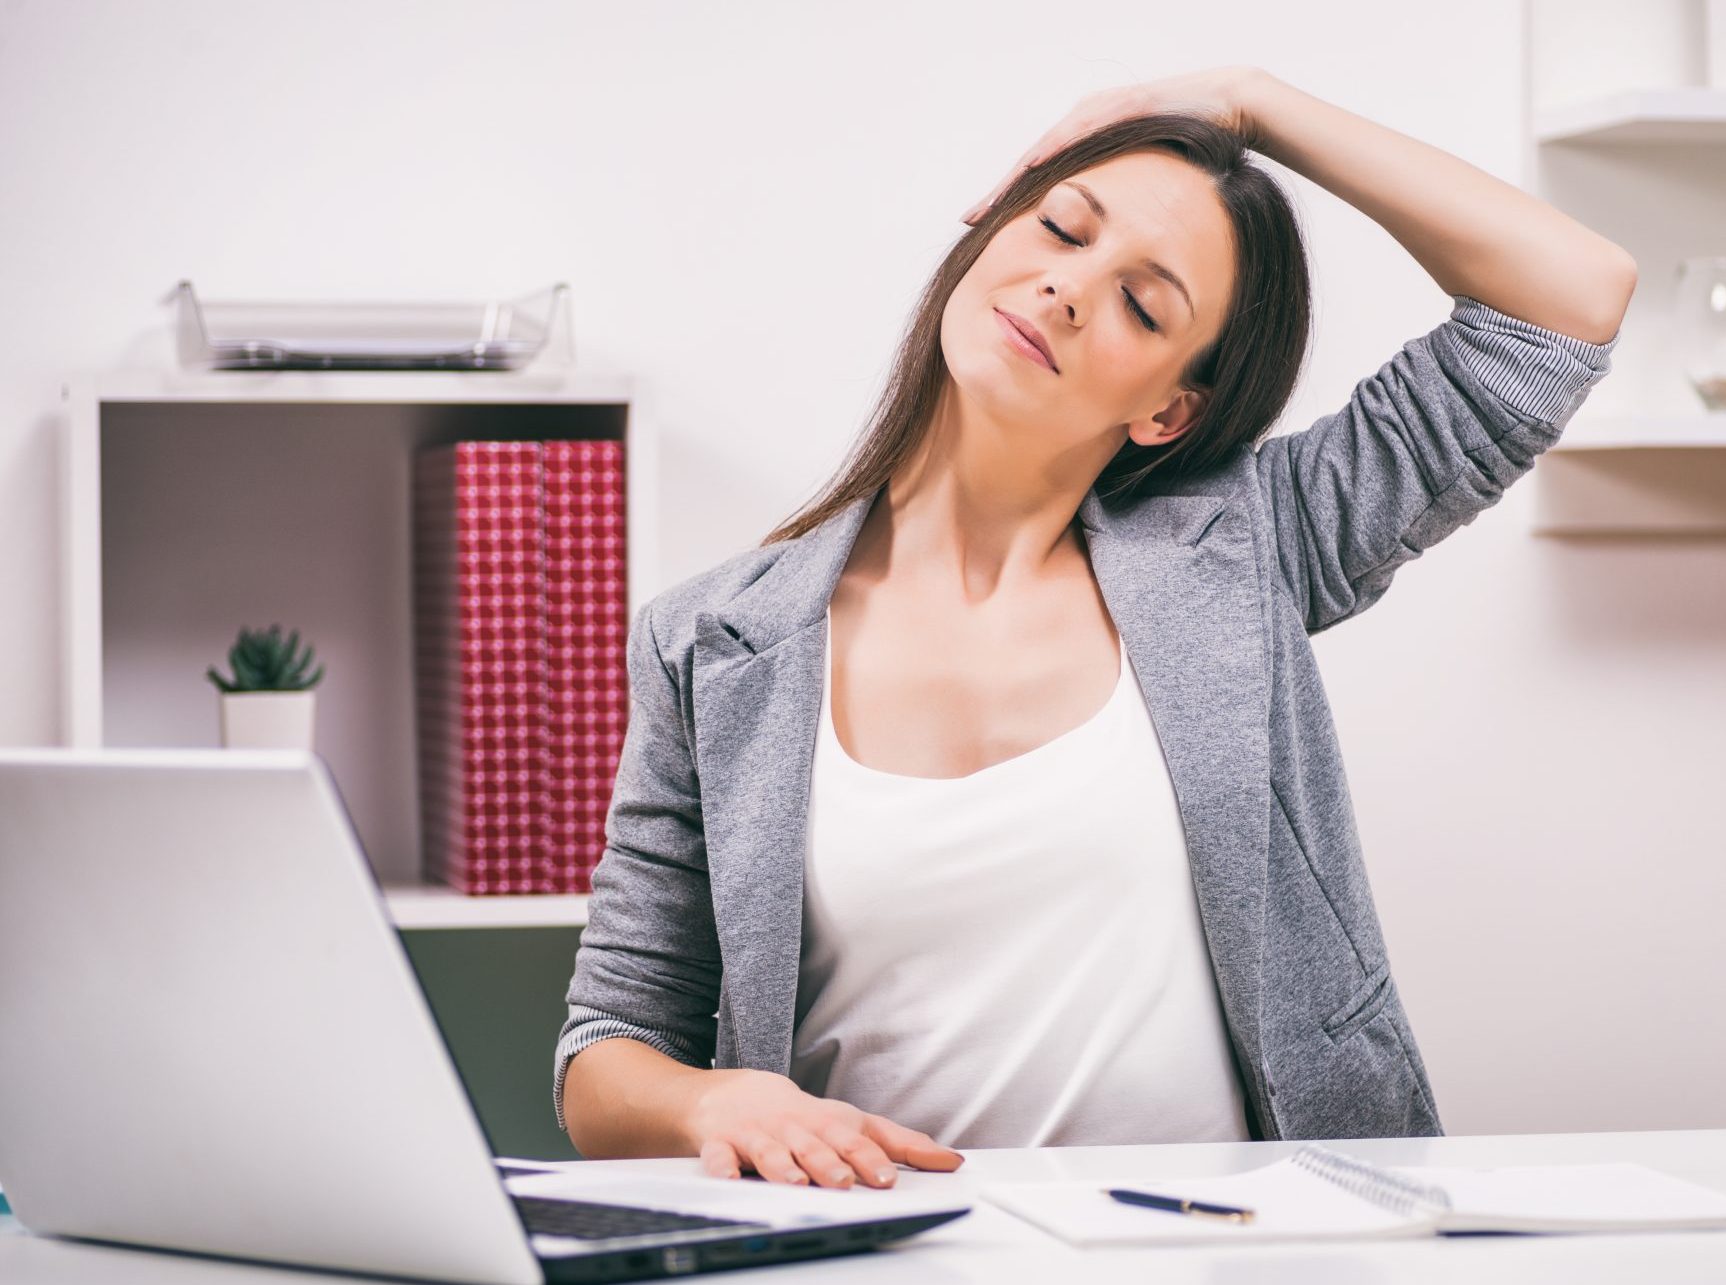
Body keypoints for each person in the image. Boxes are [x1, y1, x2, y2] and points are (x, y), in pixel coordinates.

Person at [554, 65, 1635, 1192]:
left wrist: (1249, 103)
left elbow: (1566, 298)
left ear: (1168, 406)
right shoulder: (714, 640)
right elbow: (604, 1055)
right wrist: (712, 1095)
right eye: (1061, 228)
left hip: (1245, 1252)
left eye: (1141, 303)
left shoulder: (1256, 543)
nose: (1067, 288)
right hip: (884, 1250)